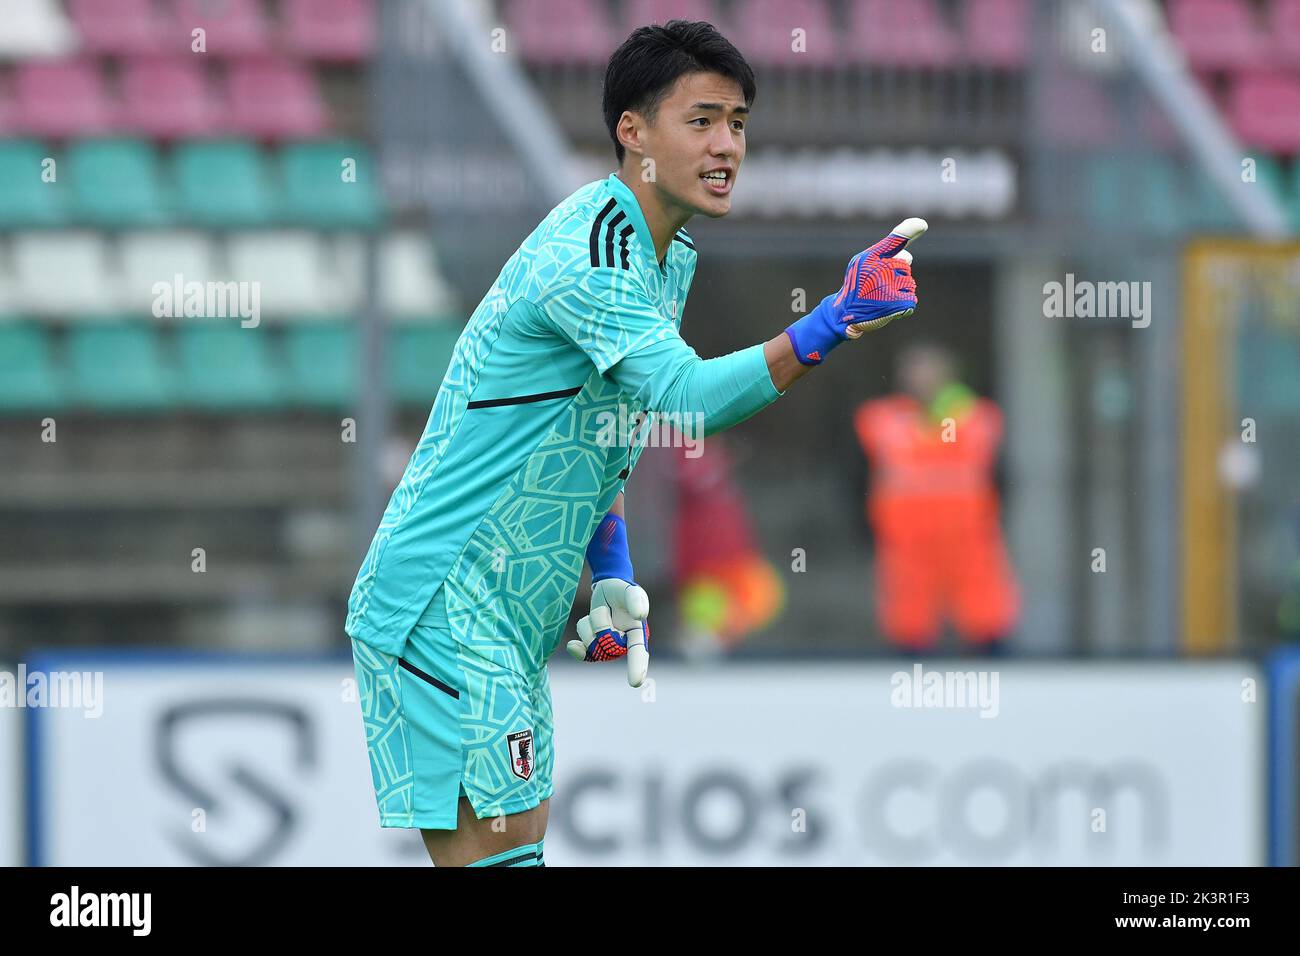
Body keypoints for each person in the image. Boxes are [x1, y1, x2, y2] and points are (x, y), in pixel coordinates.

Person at [346, 19, 924, 867]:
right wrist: (830, 323)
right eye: (701, 121)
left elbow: (610, 417)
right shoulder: (594, 250)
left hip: (505, 611)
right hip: (440, 599)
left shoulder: (665, 254)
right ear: (633, 131)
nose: (728, 145)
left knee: (514, 853)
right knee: (502, 859)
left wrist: (609, 567)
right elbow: (685, 400)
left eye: (738, 123)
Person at [853, 344, 1019, 655]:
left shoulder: (977, 417)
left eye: (930, 370)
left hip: (968, 539)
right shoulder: (881, 420)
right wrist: (866, 529)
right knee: (908, 618)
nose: (923, 379)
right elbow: (858, 479)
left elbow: (1001, 477)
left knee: (986, 613)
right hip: (906, 543)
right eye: (916, 371)